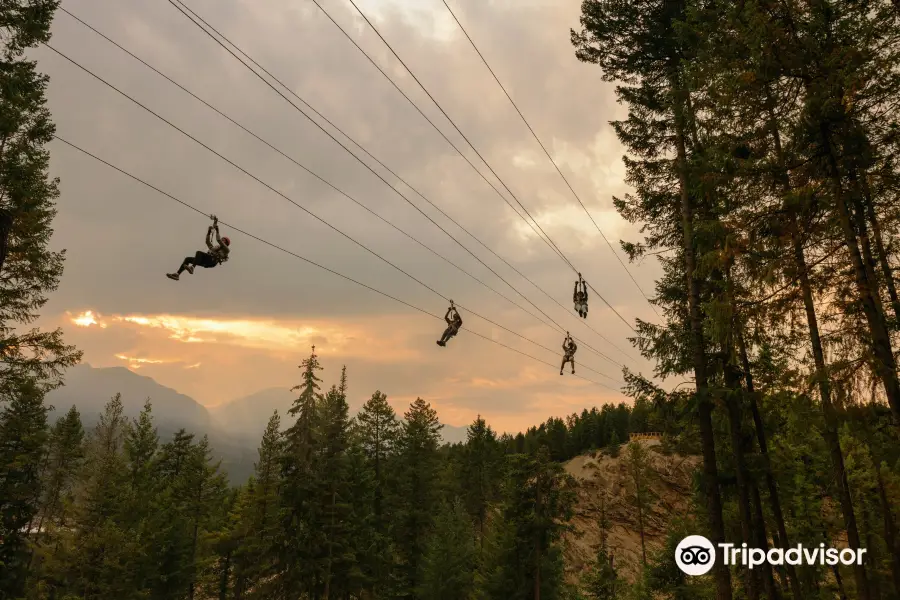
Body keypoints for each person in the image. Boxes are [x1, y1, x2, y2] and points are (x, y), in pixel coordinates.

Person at [167, 215, 230, 281]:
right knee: (187, 259)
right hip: (207, 260)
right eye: (222, 239)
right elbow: (208, 242)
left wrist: (217, 230)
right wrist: (208, 232)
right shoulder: (215, 248)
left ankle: (192, 267)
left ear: (226, 243)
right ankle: (177, 274)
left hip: (212, 260)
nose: (222, 240)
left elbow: (218, 240)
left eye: (224, 240)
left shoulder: (226, 250)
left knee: (199, 253)